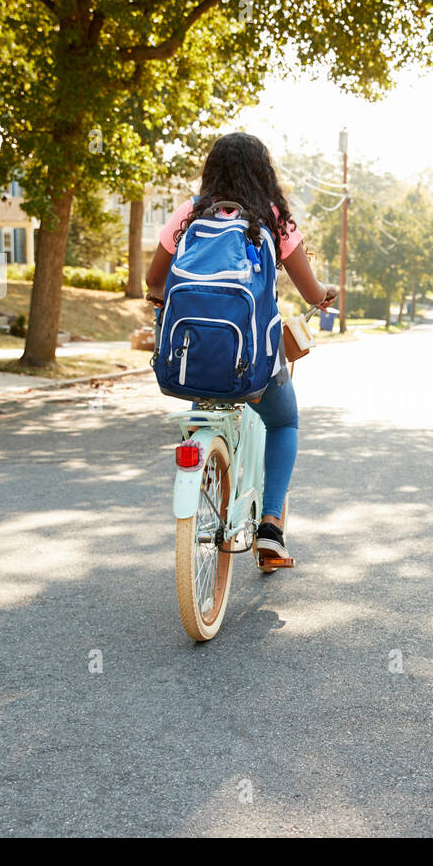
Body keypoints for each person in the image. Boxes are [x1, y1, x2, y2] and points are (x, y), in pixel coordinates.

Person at [145, 132, 336, 566]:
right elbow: (310, 292)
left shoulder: (189, 214)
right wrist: (326, 294)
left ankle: (205, 468)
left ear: (212, 170)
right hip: (257, 360)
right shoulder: (273, 219)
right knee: (285, 422)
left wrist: (160, 300)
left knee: (204, 400)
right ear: (262, 172)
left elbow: (154, 280)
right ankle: (271, 525)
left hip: (191, 357)